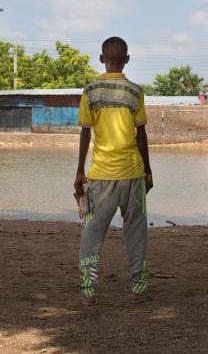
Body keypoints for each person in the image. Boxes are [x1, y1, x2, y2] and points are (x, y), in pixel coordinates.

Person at [74, 36, 153, 306]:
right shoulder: (135, 91)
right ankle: (138, 287)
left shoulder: (90, 91)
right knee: (136, 232)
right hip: (133, 172)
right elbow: (141, 133)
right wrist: (148, 170)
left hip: (101, 174)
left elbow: (85, 133)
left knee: (92, 233)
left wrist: (79, 170)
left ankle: (88, 290)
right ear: (127, 60)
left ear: (101, 59)